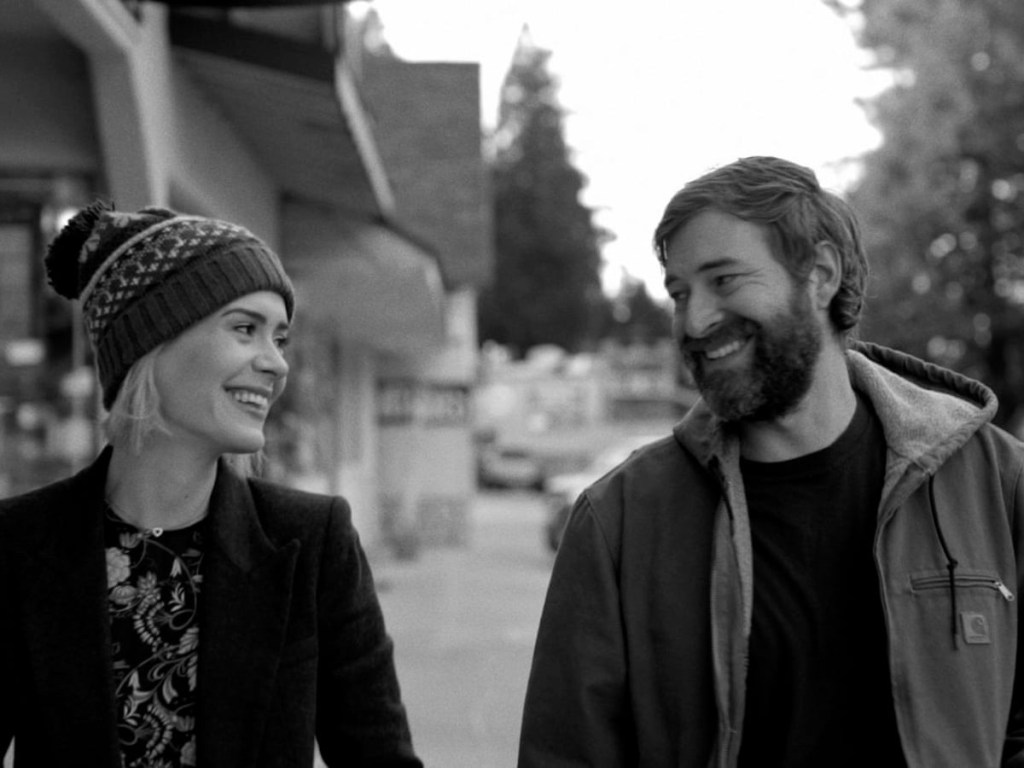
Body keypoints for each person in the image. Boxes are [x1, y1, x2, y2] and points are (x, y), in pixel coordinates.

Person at [518, 156, 1024, 767]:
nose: (695, 320)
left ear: (821, 275)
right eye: (679, 293)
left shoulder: (996, 484)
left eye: (724, 280)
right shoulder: (618, 522)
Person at [0, 201, 422, 768]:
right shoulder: (19, 543)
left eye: (280, 339)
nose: (277, 364)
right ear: (151, 343)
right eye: (245, 329)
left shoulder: (313, 542)